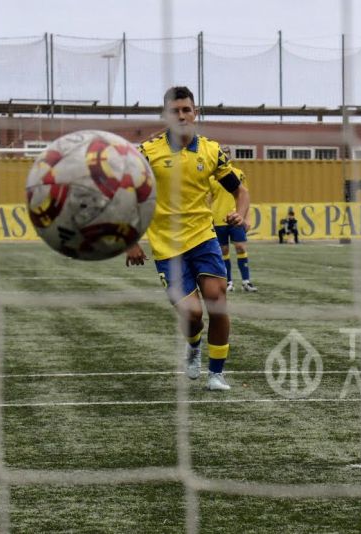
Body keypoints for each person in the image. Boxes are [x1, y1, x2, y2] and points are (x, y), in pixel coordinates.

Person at [126, 86, 250, 392]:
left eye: (186, 110)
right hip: (166, 246)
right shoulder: (147, 153)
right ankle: (194, 344)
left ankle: (216, 374)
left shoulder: (211, 151)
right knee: (192, 314)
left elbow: (241, 191)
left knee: (217, 300)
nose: (181, 115)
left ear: (196, 113)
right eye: (175, 111)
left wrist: (241, 214)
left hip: (203, 237)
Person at [208, 174, 258, 292]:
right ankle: (228, 282)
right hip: (218, 218)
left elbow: (245, 197)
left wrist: (247, 218)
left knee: (241, 247)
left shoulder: (239, 174)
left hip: (236, 217)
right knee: (223, 250)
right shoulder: (211, 177)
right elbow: (207, 200)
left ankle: (246, 282)